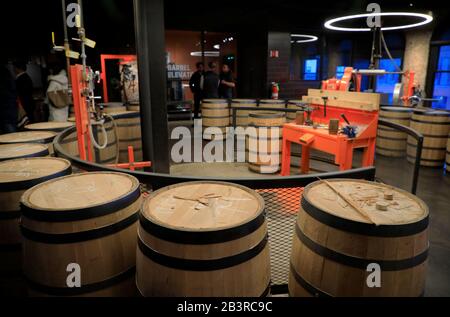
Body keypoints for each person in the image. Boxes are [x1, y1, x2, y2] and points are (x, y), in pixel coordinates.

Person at [0, 62, 17, 134]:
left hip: (5, 111)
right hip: (11, 110)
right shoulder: (9, 78)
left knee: (10, 134)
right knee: (11, 134)